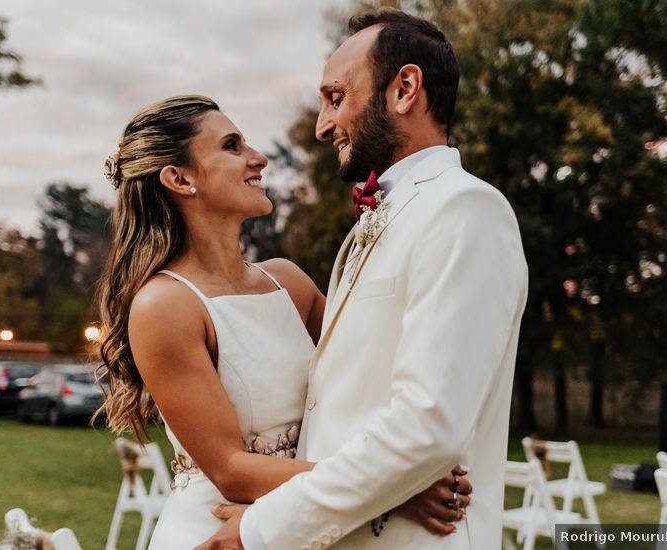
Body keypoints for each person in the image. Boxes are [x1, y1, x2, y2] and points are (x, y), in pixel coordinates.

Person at [199, 8, 528, 550]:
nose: (323, 126)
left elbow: (428, 427)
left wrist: (264, 529)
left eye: (335, 97)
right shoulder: (373, 226)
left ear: (404, 89)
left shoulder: (467, 210)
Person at [94, 95, 471, 549]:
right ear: (180, 178)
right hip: (217, 530)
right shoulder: (165, 306)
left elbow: (372, 370)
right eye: (232, 146)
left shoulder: (288, 283)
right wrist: (394, 491)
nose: (259, 158)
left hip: (301, 524)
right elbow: (230, 469)